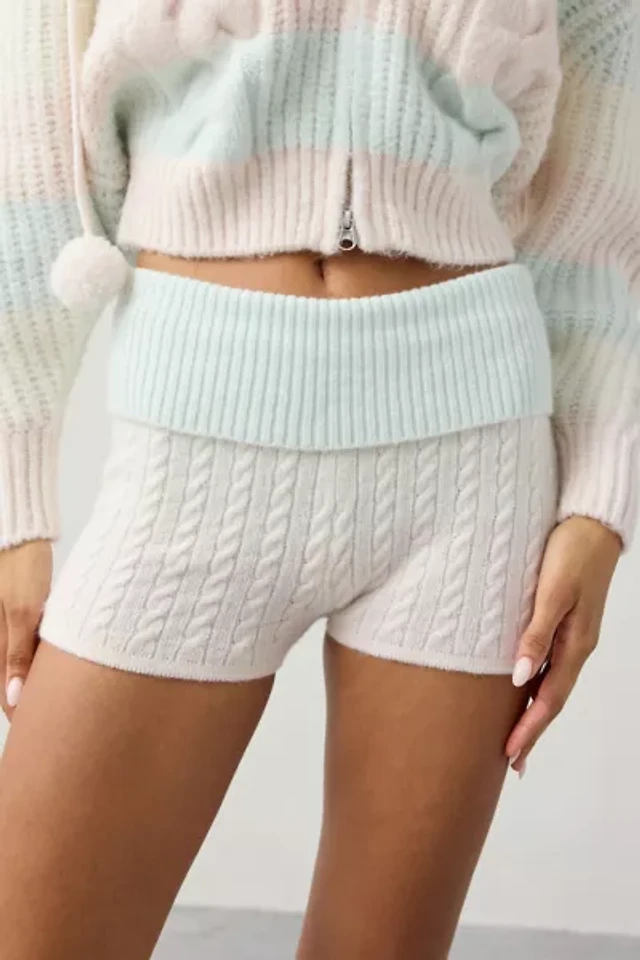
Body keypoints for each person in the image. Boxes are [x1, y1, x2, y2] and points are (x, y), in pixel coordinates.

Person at [0, 1, 638, 958]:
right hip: (193, 444)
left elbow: (595, 213)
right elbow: (31, 161)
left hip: (471, 465)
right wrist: (13, 503)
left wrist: (597, 507)